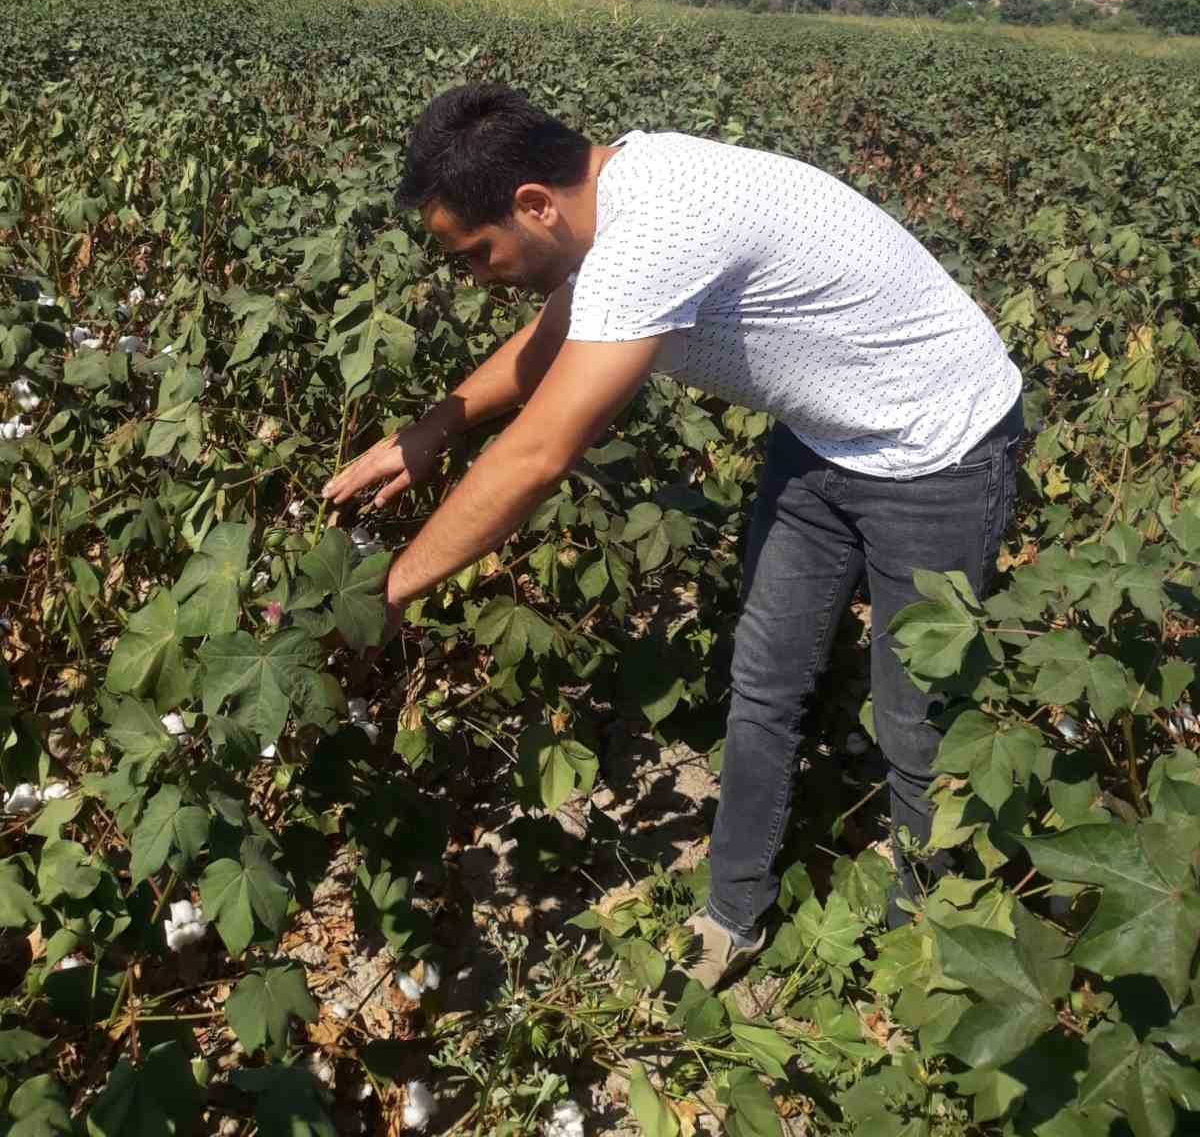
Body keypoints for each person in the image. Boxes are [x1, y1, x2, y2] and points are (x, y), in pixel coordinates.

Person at [323, 83, 1024, 990]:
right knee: (764, 682)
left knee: (918, 724)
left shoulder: (657, 231)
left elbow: (538, 454)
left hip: (940, 445)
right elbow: (554, 337)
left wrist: (380, 593)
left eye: (476, 254)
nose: (477, 278)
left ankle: (930, 956)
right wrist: (431, 429)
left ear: (535, 204)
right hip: (822, 439)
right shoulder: (616, 192)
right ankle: (733, 919)